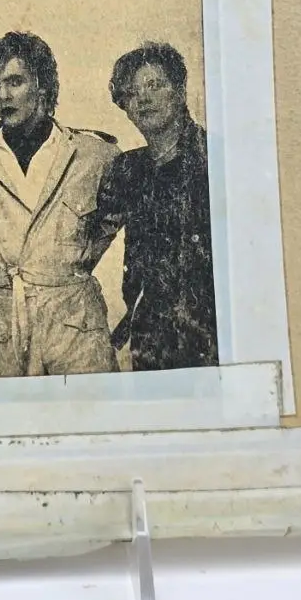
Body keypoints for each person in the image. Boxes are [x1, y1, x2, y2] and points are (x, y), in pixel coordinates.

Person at [0, 32, 119, 378]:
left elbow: (110, 222)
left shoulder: (94, 154)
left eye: (15, 82)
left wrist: (66, 267)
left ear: (42, 85)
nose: (3, 95)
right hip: (7, 325)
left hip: (76, 324)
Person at [89, 42, 217, 371]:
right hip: (151, 341)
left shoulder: (217, 160)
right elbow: (86, 245)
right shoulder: (128, 170)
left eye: (154, 85)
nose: (143, 99)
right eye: (131, 93)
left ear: (180, 91)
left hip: (214, 340)